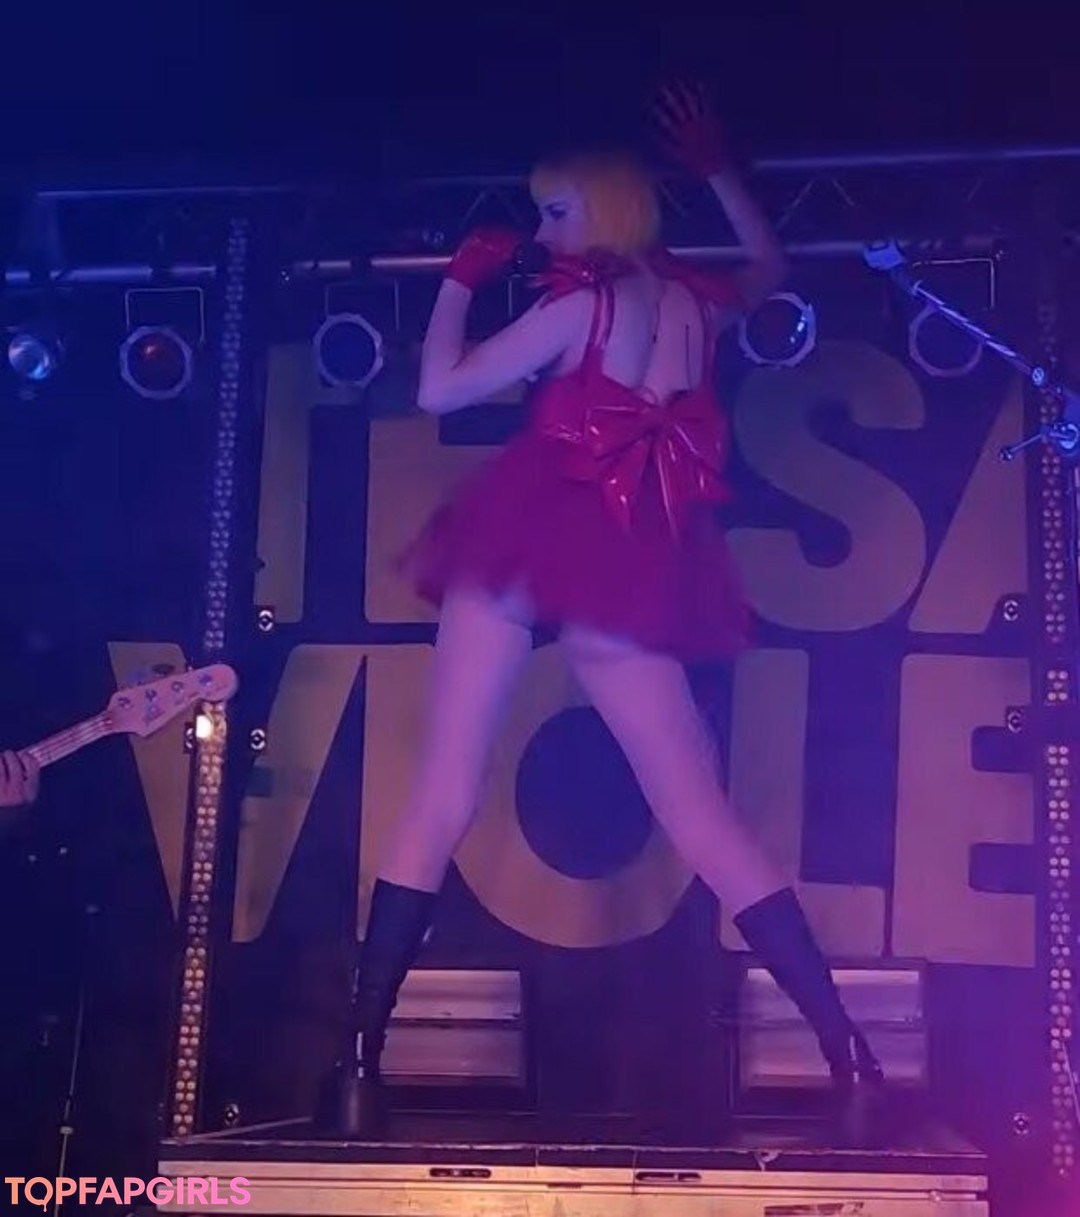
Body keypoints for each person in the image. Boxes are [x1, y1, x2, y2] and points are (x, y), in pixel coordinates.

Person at [333, 82, 886, 1137]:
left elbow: (439, 390)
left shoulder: (580, 306)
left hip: (530, 540)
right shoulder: (689, 303)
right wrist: (721, 172)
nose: (545, 232)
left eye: (556, 211)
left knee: (444, 790)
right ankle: (849, 1055)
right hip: (632, 560)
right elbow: (771, 271)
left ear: (604, 207)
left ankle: (357, 1062)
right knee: (701, 813)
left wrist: (458, 283)